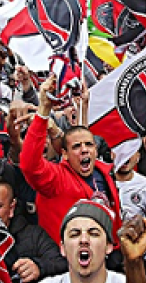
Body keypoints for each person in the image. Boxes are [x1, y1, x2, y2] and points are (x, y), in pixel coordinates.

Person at [20, 75, 122, 245]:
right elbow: (29, 165)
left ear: (96, 150)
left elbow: (80, 135)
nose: (84, 149)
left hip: (106, 254)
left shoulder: (104, 172)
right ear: (64, 154)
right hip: (68, 257)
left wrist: (84, 106)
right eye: (76, 147)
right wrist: (43, 112)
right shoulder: (56, 179)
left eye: (89, 145)